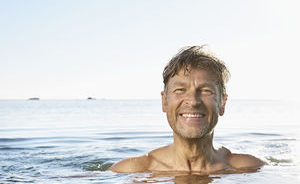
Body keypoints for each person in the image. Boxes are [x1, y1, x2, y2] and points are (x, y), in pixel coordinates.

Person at [109, 46, 265, 173]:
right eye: (180, 90)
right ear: (164, 101)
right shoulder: (131, 172)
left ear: (222, 103)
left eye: (205, 90)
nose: (193, 101)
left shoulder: (248, 168)